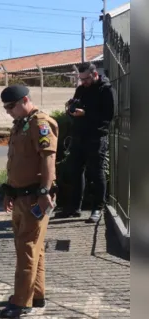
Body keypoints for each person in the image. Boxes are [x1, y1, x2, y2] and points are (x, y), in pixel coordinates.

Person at [0, 85, 59, 319]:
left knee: (27, 248)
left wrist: (45, 192)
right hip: (20, 195)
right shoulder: (21, 124)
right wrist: (9, 191)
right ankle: (36, 295)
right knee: (35, 248)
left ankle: (21, 302)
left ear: (25, 100)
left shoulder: (40, 123)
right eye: (5, 108)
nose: (8, 112)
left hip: (35, 196)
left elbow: (48, 159)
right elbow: (16, 162)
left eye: (11, 106)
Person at [56, 62, 115, 223]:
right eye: (81, 79)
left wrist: (86, 113)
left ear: (95, 74)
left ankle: (97, 208)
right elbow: (76, 105)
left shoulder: (106, 90)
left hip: (96, 137)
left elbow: (108, 117)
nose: (84, 82)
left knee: (96, 173)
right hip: (78, 136)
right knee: (75, 171)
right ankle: (74, 208)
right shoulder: (81, 89)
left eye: (86, 79)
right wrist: (71, 109)